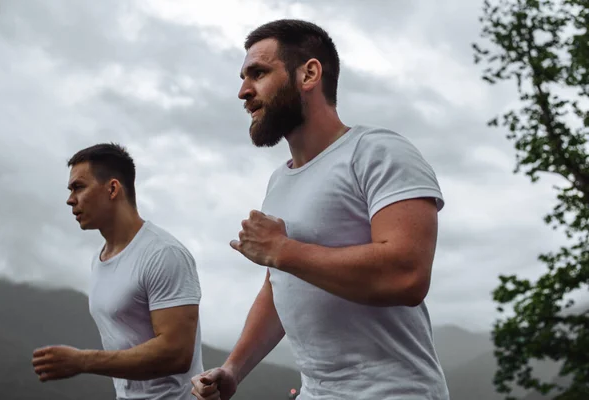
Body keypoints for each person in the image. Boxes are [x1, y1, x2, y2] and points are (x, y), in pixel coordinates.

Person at [191, 19, 450, 400]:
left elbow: (407, 274)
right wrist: (233, 369)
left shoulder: (378, 151)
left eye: (258, 73)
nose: (243, 91)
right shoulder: (279, 181)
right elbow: (281, 284)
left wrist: (281, 249)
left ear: (309, 73)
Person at [32, 143, 204, 400]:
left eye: (78, 187)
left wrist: (82, 361)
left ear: (112, 188)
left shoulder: (163, 253)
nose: (70, 200)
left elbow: (177, 353)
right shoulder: (98, 259)